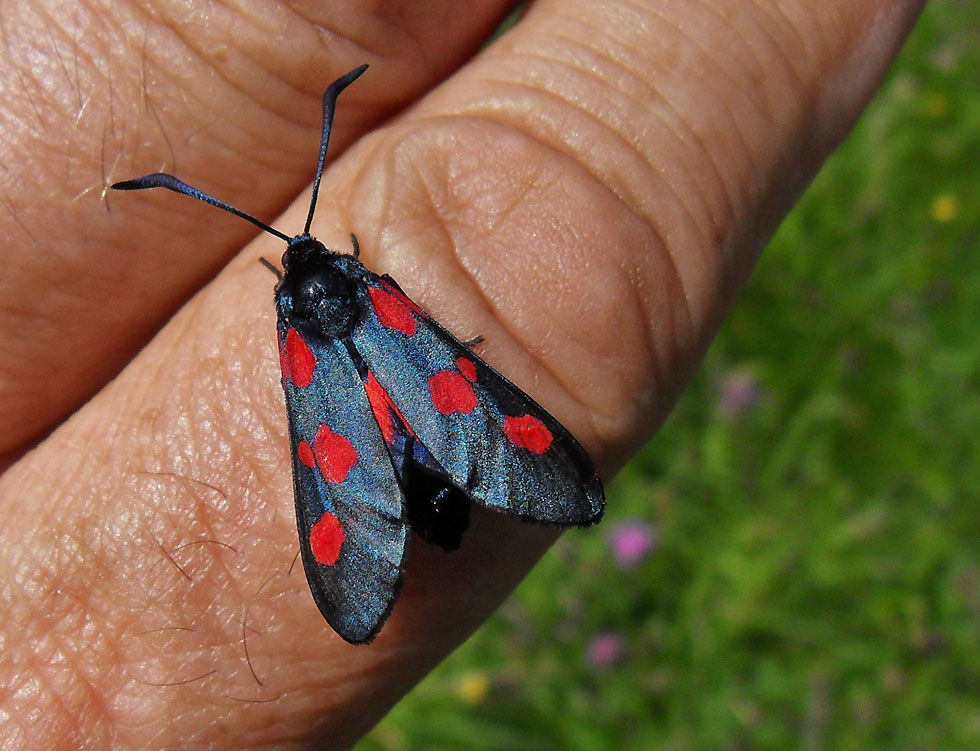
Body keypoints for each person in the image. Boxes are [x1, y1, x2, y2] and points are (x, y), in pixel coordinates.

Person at [0, 0, 924, 747]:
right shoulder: (361, 282)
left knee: (357, 468)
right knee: (460, 413)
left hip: (378, 470)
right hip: (436, 425)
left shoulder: (294, 323)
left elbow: (323, 402)